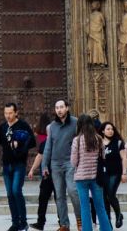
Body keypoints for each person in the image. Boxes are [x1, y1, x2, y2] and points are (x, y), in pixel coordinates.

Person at [0, 101, 37, 231]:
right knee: (10, 194)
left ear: (16, 112)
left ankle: (23, 221)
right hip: (6, 165)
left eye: (10, 113)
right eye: (6, 113)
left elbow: (32, 141)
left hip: (19, 164)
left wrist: (20, 143)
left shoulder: (23, 125)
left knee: (16, 190)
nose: (8, 116)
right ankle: (15, 223)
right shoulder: (3, 127)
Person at [71, 113, 113, 231]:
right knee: (100, 206)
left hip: (81, 178)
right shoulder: (99, 139)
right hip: (96, 177)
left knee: (85, 207)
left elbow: (74, 162)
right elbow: (103, 157)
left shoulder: (77, 140)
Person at [41, 98, 78, 231]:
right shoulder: (52, 127)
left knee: (73, 191)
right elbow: (48, 147)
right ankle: (64, 224)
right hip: (55, 164)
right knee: (59, 195)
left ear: (67, 108)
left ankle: (80, 221)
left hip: (70, 163)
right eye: (57, 108)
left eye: (61, 107)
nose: (59, 110)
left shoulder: (75, 123)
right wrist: (44, 165)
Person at [28, 114, 55, 230]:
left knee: (56, 199)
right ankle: (41, 222)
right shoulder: (45, 143)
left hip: (57, 173)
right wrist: (32, 169)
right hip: (48, 174)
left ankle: (62, 223)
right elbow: (39, 156)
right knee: (44, 198)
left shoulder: (57, 142)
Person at [102, 122, 126, 228]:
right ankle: (108, 222)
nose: (110, 131)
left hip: (115, 173)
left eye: (112, 129)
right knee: (104, 198)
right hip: (103, 174)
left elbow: (124, 158)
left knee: (110, 195)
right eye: (108, 129)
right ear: (103, 131)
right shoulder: (99, 143)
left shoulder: (118, 143)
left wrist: (124, 173)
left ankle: (118, 215)